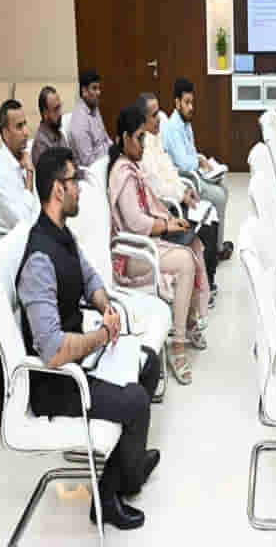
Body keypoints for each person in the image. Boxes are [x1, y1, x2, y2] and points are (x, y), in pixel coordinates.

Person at [18, 147, 160, 531]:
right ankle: (108, 498)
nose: (79, 189)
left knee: (150, 363)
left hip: (80, 356)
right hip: (56, 383)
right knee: (136, 401)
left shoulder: (62, 235)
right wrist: (100, 336)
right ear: (57, 190)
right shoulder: (39, 260)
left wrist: (106, 307)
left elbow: (89, 278)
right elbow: (53, 351)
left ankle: (130, 466)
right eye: (74, 181)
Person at [107, 106, 211, 384]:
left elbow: (150, 207)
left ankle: (189, 321)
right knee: (185, 261)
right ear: (125, 138)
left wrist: (171, 221)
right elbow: (135, 222)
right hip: (131, 255)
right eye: (139, 138)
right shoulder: (122, 173)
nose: (143, 144)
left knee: (195, 244)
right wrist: (167, 226)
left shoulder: (133, 167)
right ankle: (178, 346)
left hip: (146, 243)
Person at [135, 92, 221, 305]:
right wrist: (181, 195)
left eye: (158, 113)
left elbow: (170, 172)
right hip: (166, 208)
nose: (159, 119)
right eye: (154, 115)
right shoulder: (142, 149)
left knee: (211, 215)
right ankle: (203, 288)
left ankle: (208, 282)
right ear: (143, 120)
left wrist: (184, 190)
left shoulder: (155, 139)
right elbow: (156, 187)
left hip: (176, 198)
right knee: (206, 228)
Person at [160, 77, 232, 261]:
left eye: (192, 102)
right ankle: (217, 250)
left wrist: (200, 160)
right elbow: (184, 164)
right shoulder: (173, 128)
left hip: (193, 174)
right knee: (219, 196)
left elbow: (190, 153)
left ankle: (216, 244)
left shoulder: (185, 123)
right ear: (177, 103)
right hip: (185, 179)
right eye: (187, 103)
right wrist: (199, 161)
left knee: (223, 188)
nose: (191, 107)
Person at [0, 98, 41, 237]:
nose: (26, 132)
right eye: (19, 126)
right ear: (5, 133)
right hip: (16, 240)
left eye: (25, 124)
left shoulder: (28, 153)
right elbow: (22, 221)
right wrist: (29, 175)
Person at [68, 70, 113, 167]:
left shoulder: (93, 107)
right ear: (84, 91)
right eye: (94, 88)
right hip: (93, 169)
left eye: (99, 88)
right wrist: (110, 155)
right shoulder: (79, 121)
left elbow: (105, 138)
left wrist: (115, 151)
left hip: (106, 159)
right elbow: (88, 161)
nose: (99, 92)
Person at [31, 85, 71, 166]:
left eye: (60, 107)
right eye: (56, 109)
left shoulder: (59, 133)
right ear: (45, 113)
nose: (60, 113)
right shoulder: (40, 144)